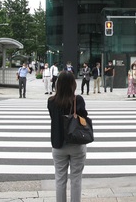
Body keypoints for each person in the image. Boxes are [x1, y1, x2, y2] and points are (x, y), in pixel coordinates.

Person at [47, 71, 88, 202]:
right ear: (73, 84)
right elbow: (84, 119)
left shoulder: (51, 101)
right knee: (76, 179)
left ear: (58, 84)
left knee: (60, 179)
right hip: (76, 144)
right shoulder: (78, 100)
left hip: (58, 144)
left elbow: (53, 118)